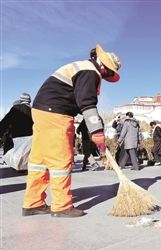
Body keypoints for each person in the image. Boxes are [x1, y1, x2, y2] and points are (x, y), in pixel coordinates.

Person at [22, 44, 121, 217]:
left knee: (40, 160)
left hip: (41, 111)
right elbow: (87, 103)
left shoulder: (79, 66)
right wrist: (97, 131)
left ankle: (33, 202)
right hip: (57, 114)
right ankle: (61, 206)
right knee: (61, 160)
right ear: (103, 65)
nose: (106, 76)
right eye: (109, 72)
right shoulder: (90, 71)